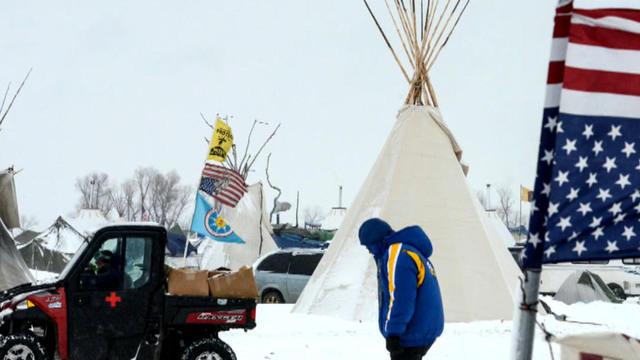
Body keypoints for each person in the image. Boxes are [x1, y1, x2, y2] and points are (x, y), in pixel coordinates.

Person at [358, 218, 444, 360]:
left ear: (377, 241)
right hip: (423, 329)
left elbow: (401, 297)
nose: (369, 252)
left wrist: (394, 333)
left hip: (411, 332)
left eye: (369, 246)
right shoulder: (410, 251)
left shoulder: (397, 254)